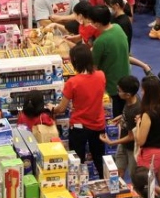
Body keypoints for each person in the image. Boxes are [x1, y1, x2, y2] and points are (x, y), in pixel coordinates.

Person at [50, 43, 107, 177]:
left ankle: (78, 185)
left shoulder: (73, 82)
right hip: (98, 124)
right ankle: (107, 182)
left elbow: (61, 108)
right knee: (99, 158)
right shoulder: (101, 75)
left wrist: (51, 108)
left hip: (79, 127)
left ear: (74, 61)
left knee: (76, 161)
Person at [99, 75, 141, 180]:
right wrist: (122, 116)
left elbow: (131, 136)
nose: (117, 92)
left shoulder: (134, 111)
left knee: (135, 178)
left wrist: (112, 142)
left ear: (128, 95)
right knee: (117, 171)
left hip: (132, 149)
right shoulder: (134, 98)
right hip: (123, 144)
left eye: (119, 91)